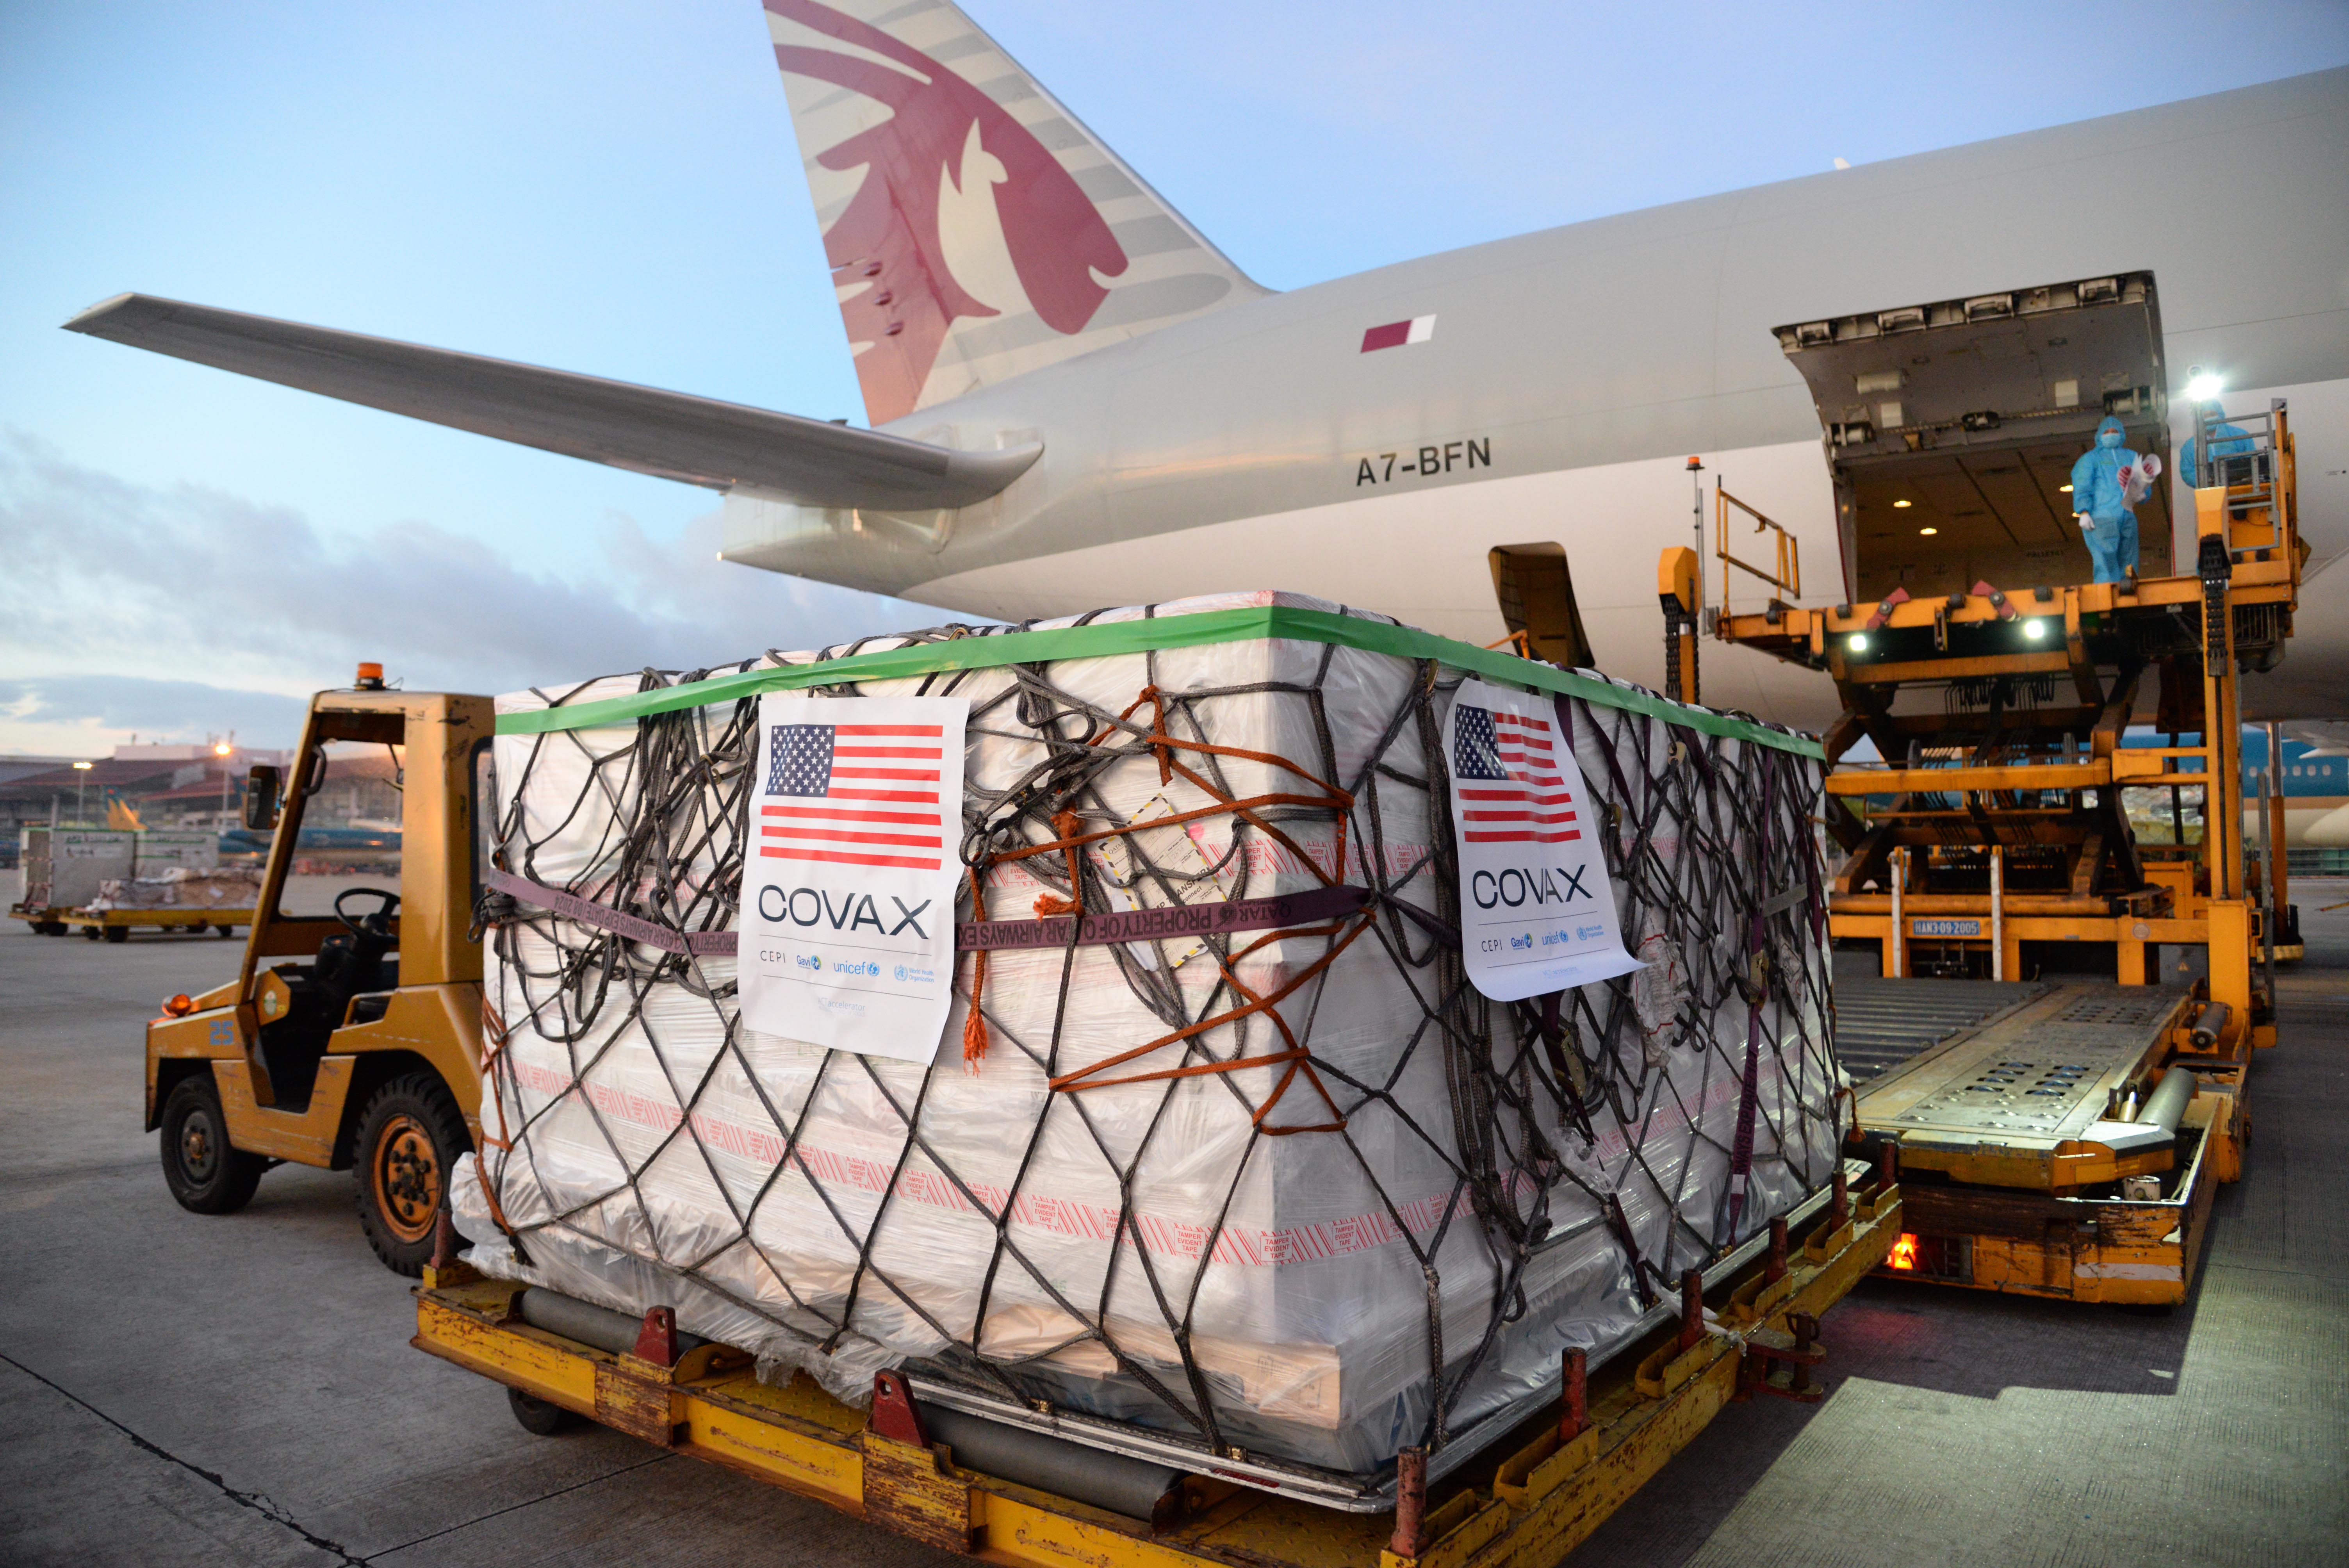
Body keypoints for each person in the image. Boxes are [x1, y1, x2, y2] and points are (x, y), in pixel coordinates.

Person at [2071, 414, 2145, 584]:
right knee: (2105, 560)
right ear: (2099, 436)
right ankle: (2106, 594)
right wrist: (2084, 511)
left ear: (2122, 435)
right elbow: (2082, 485)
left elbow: (2143, 481)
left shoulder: (2131, 457)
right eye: (2107, 432)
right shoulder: (2090, 459)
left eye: (2115, 431)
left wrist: (2143, 494)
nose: (2111, 434)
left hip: (2127, 515)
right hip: (2102, 518)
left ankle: (2129, 590)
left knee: (2129, 560)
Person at [2179, 400, 2253, 488]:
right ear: (2198, 419)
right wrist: (2208, 483)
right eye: (2205, 416)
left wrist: (2237, 479)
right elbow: (2187, 473)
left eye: (2212, 414)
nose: (2209, 418)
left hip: (2239, 488)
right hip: (2209, 492)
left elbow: (2251, 462)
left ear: (2220, 414)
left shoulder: (2240, 435)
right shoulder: (2189, 447)